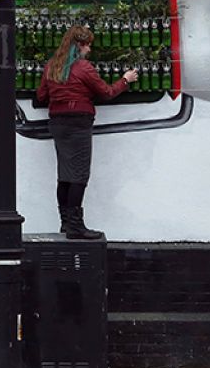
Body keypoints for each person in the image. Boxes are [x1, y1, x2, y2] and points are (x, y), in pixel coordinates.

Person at [37, 26, 138, 239]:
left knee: (65, 175)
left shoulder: (52, 66)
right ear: (79, 45)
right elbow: (106, 92)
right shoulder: (83, 68)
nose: (89, 49)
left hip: (57, 122)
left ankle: (66, 224)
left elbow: (41, 96)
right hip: (78, 123)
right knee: (79, 175)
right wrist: (125, 80)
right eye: (87, 45)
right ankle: (76, 227)